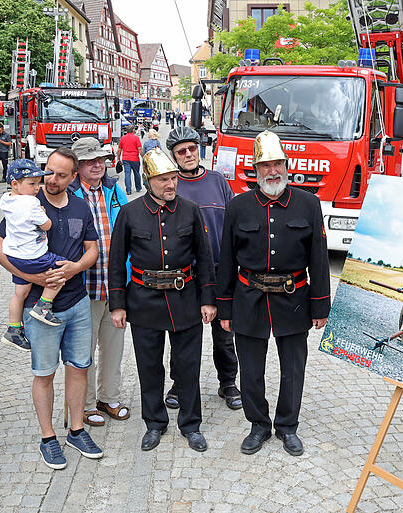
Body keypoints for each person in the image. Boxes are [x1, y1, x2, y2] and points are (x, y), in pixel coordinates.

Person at [0, 147, 104, 470]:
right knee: (44, 373)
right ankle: (48, 438)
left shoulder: (81, 207)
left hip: (77, 301)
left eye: (60, 175)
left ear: (74, 177)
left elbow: (93, 249)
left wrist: (75, 268)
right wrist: (32, 276)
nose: (50, 180)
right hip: (39, 306)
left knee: (79, 367)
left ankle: (76, 430)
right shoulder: (27, 203)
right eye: (48, 171)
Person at [216, 130, 330, 457]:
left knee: (293, 369)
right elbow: (226, 260)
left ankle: (287, 426)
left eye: (278, 163)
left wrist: (320, 305)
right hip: (248, 300)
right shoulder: (238, 207)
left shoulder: (308, 204)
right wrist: (225, 308)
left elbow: (319, 259)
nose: (272, 171)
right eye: (265, 165)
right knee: (251, 370)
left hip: (294, 300)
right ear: (255, 168)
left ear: (287, 165)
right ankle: (258, 424)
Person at [108, 148, 216, 453]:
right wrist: (118, 304)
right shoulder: (129, 213)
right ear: (148, 180)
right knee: (149, 367)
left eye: (173, 178)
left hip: (185, 299)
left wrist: (208, 299)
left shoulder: (191, 210)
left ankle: (190, 424)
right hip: (144, 301)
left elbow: (205, 258)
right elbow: (116, 262)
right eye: (164, 179)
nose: (171, 184)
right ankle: (154, 423)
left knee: (188, 365)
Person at [164, 125, 241, 411]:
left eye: (192, 148)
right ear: (173, 156)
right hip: (187, 275)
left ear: (200, 149)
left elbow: (233, 223)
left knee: (224, 333)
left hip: (221, 272)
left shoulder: (218, 181)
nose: (188, 154)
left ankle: (228, 383)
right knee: (183, 335)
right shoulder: (171, 185)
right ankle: (179, 383)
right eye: (181, 151)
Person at [67, 137, 132, 428]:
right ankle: (86, 404)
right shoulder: (69, 195)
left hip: (116, 285)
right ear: (77, 165)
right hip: (83, 287)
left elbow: (129, 230)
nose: (97, 164)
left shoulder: (114, 190)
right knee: (84, 351)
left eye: (101, 159)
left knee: (113, 346)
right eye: (90, 160)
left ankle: (109, 397)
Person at [0, 159, 67, 352]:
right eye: (32, 183)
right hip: (33, 256)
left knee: (20, 294)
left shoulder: (6, 200)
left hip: (14, 256)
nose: (37, 188)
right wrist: (43, 213)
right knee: (62, 269)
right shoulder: (31, 203)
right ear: (15, 183)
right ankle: (44, 306)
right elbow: (47, 225)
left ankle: (13, 329)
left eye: (38, 183)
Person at [116, 124, 143, 194]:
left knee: (127, 174)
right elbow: (140, 149)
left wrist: (118, 159)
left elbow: (119, 150)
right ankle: (138, 187)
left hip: (125, 159)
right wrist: (143, 157)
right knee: (136, 173)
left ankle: (128, 190)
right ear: (133, 130)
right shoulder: (136, 138)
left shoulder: (123, 138)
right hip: (135, 159)